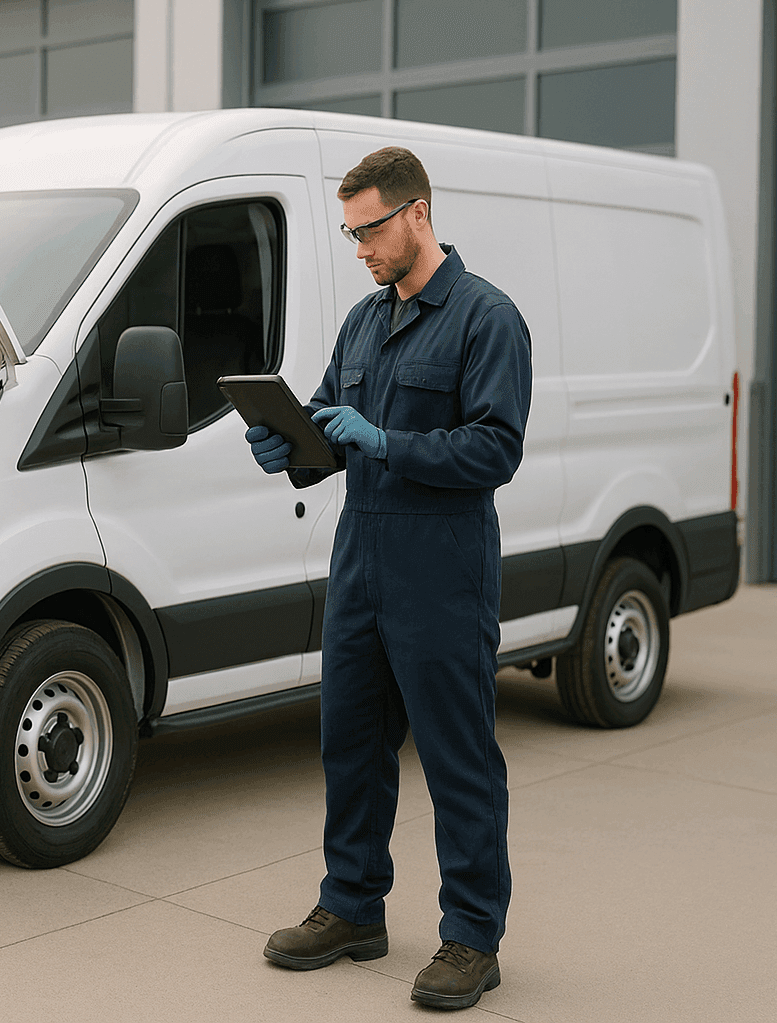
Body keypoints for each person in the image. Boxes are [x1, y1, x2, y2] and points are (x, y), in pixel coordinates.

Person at [246, 147, 531, 1011]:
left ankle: (472, 937)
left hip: (442, 566)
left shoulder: (488, 319)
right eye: (351, 232)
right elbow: (334, 428)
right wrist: (291, 448)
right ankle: (352, 907)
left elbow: (496, 448)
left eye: (369, 229)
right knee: (352, 745)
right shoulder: (364, 323)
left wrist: (385, 441)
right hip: (362, 560)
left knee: (458, 758)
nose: (361, 247)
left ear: (417, 213)